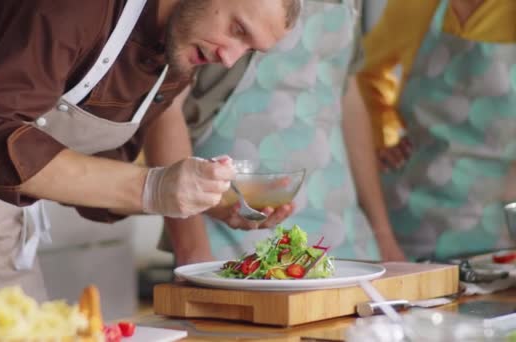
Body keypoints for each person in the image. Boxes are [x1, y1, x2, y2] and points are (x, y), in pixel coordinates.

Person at [0, 0, 300, 309]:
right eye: (236, 29)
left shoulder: (176, 55)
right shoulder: (80, 7)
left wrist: (214, 202)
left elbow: (103, 181)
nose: (230, 58)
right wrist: (152, 188)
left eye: (249, 49)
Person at [158, 0, 404, 264]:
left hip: (342, 230)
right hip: (228, 233)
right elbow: (164, 110)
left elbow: (347, 97)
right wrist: (192, 252)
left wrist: (383, 234)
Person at [357, 0, 516, 260]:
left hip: (501, 229)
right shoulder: (415, 6)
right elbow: (363, 74)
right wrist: (380, 137)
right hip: (409, 220)